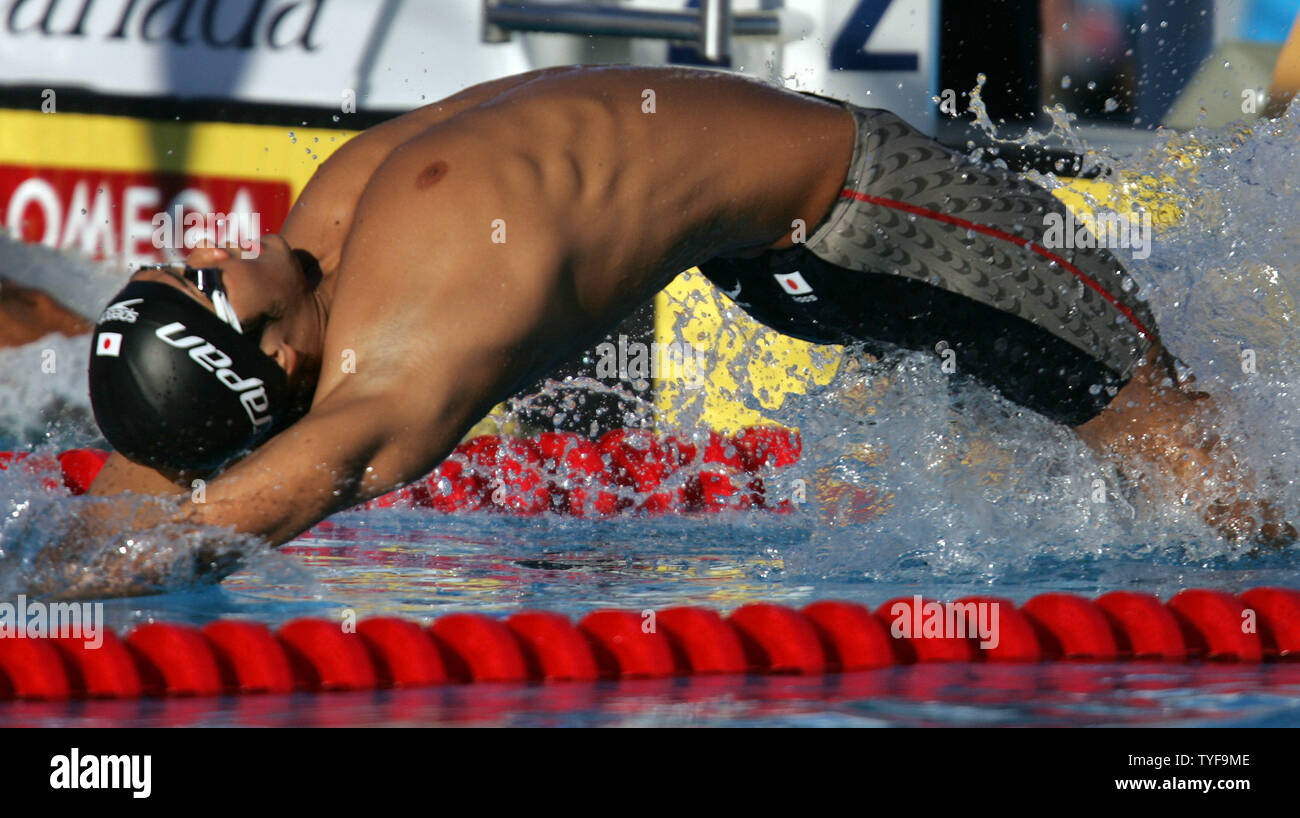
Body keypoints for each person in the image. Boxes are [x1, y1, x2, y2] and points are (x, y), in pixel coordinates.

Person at [41, 65, 1288, 598]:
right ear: (281, 356)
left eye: (169, 270)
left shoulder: (325, 233)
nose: (192, 250)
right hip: (871, 211)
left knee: (1084, 439)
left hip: (772, 256)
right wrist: (145, 567)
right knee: (1170, 422)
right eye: (199, 288)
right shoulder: (399, 341)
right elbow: (340, 459)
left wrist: (55, 578)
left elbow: (178, 440)